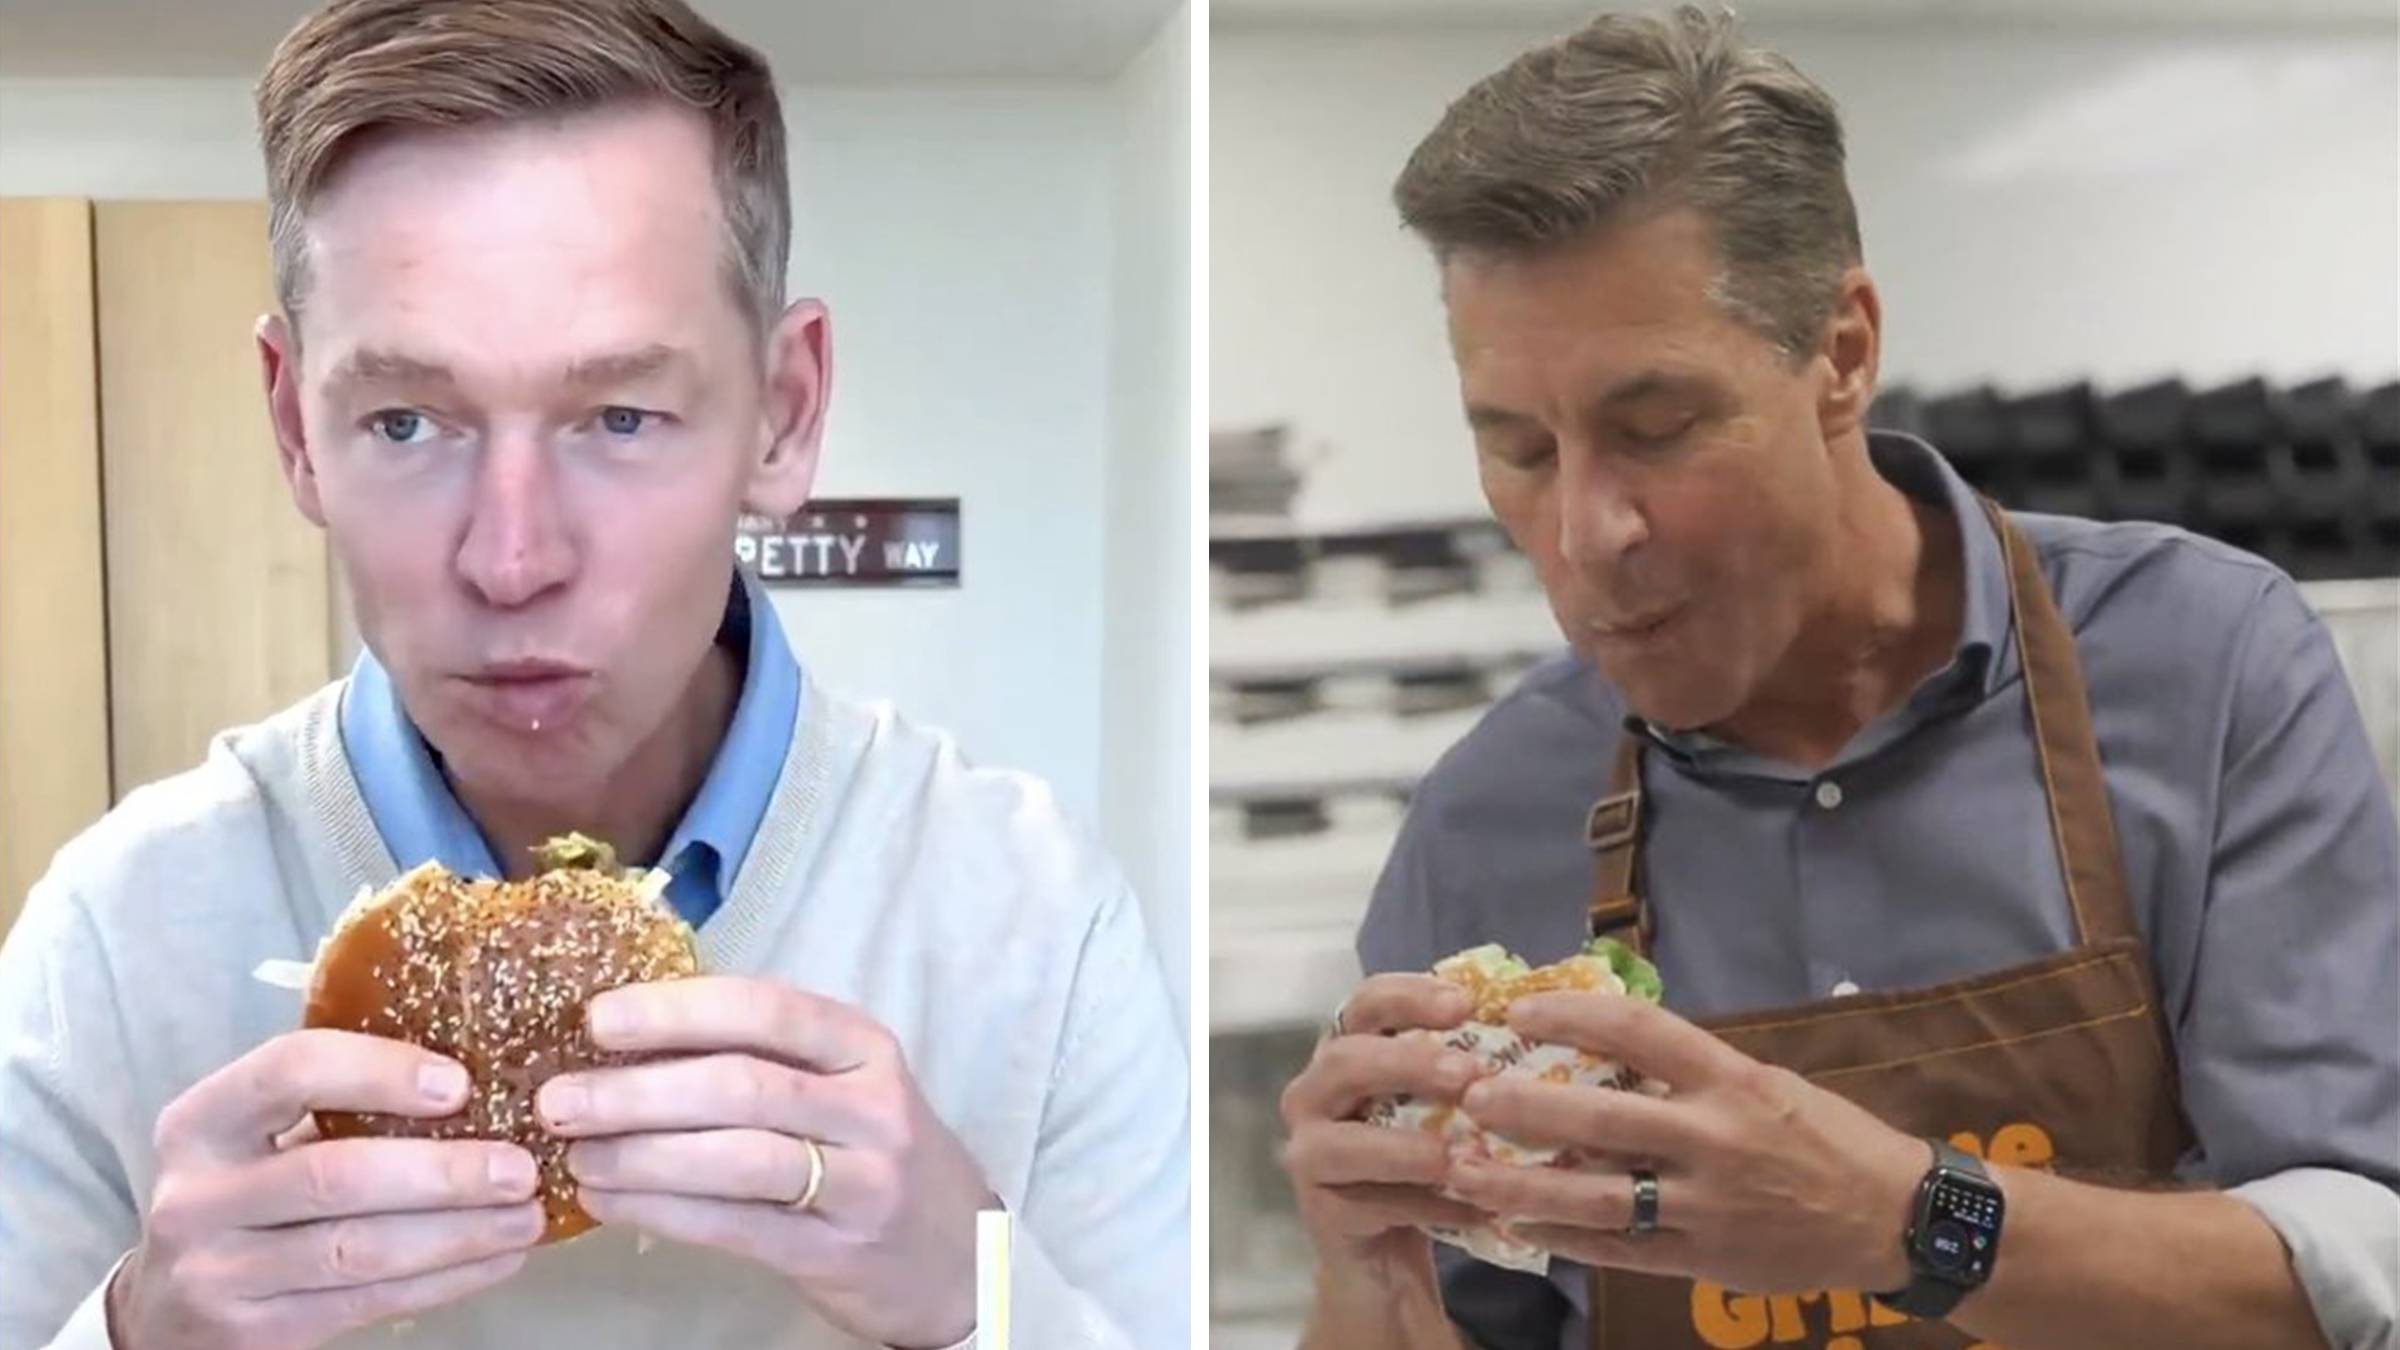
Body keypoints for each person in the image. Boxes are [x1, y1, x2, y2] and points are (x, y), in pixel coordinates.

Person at [0, 2, 1187, 1348]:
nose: (513, 559)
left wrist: (985, 1303)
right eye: (407, 420)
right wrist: (135, 1327)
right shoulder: (114, 935)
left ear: (786, 412)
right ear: (295, 426)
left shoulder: (1031, 921)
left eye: (621, 416)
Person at [1277, 8, 2398, 1350]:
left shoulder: (2204, 665)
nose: (1587, 533)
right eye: (1519, 450)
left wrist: (1901, 1220)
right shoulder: (1487, 816)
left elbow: (2351, 1273)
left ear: (1844, 353)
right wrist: (1364, 1274)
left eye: (1658, 428)